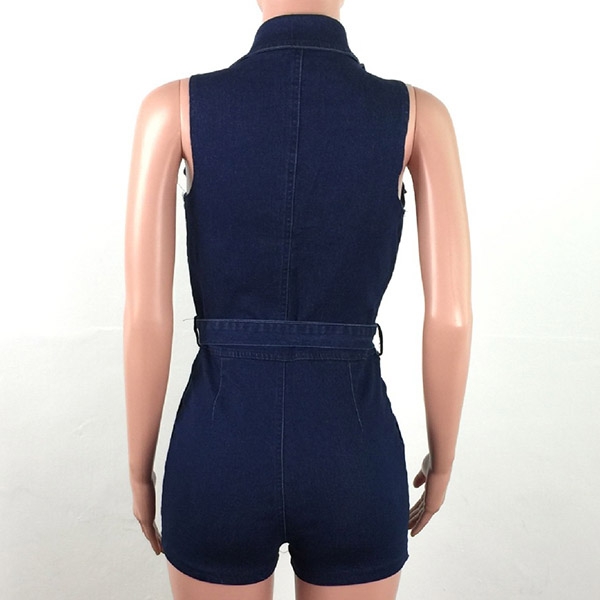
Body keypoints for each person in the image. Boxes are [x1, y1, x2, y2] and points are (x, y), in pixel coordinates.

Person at [124, 1, 472, 598]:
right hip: (353, 449)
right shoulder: (418, 115)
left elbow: (144, 317)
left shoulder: (172, 108)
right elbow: (453, 318)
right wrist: (442, 463)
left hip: (219, 446)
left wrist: (139, 470)